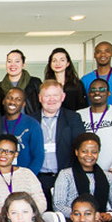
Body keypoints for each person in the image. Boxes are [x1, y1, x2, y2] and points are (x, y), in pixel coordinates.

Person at [53, 133, 112, 222]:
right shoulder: (66, 175)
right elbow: (58, 205)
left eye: (94, 152)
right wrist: (85, 215)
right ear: (76, 152)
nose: (89, 155)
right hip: (76, 221)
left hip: (102, 220)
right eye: (84, 151)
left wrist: (111, 214)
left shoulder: (108, 176)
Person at [33, 80, 81, 211]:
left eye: (55, 95)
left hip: (65, 177)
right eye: (47, 96)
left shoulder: (73, 118)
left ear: (63, 97)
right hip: (38, 178)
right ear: (40, 98)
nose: (51, 99)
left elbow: (80, 147)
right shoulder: (31, 119)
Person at [77, 79, 112, 175]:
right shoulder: (79, 114)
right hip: (85, 172)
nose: (97, 92)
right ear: (88, 94)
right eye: (93, 90)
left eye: (102, 89)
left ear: (109, 93)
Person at [1, 88, 44, 173]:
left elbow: (38, 156)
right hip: (0, 175)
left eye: (18, 99)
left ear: (23, 104)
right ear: (3, 101)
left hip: (24, 175)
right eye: (9, 98)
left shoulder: (32, 124)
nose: (12, 102)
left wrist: (28, 176)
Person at [0, 49, 42, 115]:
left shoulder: (35, 83)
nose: (12, 64)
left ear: (23, 64)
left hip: (31, 120)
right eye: (9, 61)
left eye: (17, 61)